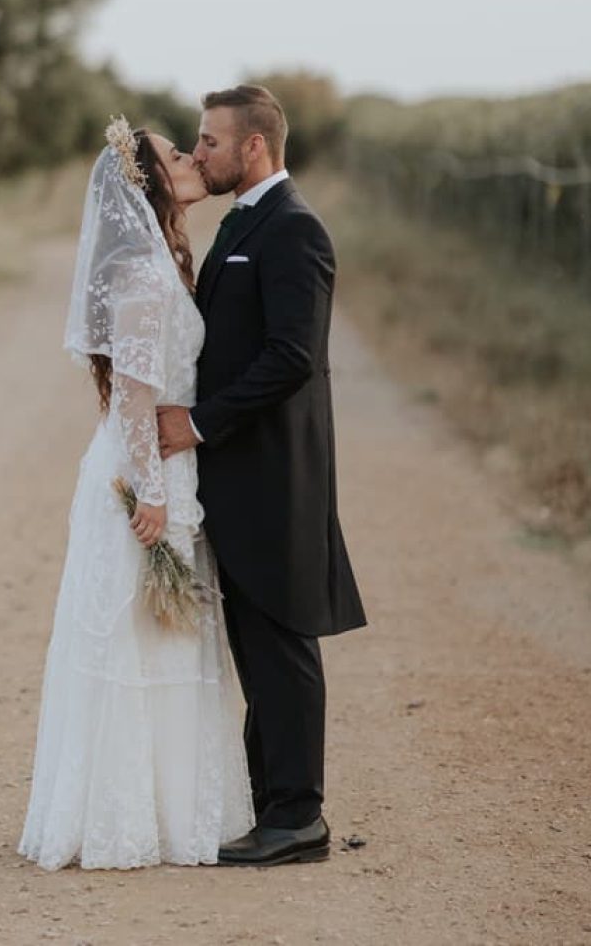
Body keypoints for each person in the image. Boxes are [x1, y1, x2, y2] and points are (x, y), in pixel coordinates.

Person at [17, 117, 254, 871]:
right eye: (176, 155)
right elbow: (133, 392)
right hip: (142, 473)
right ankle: (124, 819)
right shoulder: (144, 275)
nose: (191, 158)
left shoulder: (160, 259)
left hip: (160, 465)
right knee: (138, 635)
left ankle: (161, 812)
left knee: (162, 637)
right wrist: (152, 492)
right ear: (148, 185)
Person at [157, 84, 368, 868]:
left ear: (254, 146)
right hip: (237, 479)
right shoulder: (243, 222)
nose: (199, 151)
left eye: (209, 140)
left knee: (282, 643)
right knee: (256, 645)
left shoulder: (295, 231)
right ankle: (269, 802)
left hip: (276, 475)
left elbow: (293, 357)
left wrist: (200, 421)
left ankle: (300, 816)